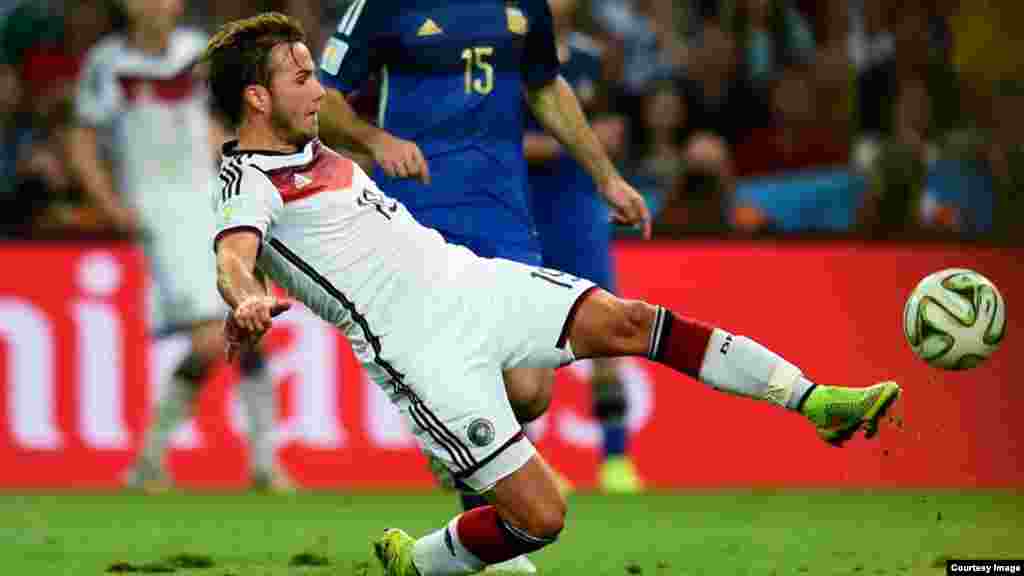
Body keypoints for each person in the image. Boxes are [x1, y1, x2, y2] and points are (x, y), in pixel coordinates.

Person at [203, 13, 902, 576]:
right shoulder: (247, 181)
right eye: (301, 78)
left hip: (472, 282)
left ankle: (815, 401)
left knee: (632, 322)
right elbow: (235, 256)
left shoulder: (318, 144)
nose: (319, 88)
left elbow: (524, 93)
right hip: (422, 352)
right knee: (540, 519)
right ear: (258, 98)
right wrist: (245, 297)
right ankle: (418, 564)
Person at [313, 0, 651, 561]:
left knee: (529, 391)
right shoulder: (380, 7)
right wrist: (375, 140)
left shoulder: (524, 8)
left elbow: (546, 87)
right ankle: (476, 537)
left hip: (506, 216)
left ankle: (450, 442)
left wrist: (606, 177)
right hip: (418, 216)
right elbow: (320, 99)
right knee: (465, 380)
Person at [66, 0, 286, 491]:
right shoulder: (107, 63)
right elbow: (82, 139)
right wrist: (109, 203)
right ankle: (153, 456)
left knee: (249, 323)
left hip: (211, 201)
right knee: (213, 334)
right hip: (157, 212)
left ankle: (263, 463)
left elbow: (226, 122)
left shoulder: (198, 54)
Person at [522, 0, 640, 493]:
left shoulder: (595, 58)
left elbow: (614, 129)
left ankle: (616, 460)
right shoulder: (508, 52)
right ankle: (529, 468)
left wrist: (607, 141)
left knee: (607, 332)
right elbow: (503, 140)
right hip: (523, 208)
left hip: (578, 213)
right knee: (521, 344)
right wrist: (573, 141)